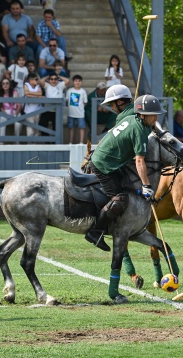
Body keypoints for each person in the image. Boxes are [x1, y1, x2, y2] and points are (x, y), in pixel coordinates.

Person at [85, 87, 165, 251]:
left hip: (114, 161)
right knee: (120, 199)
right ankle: (95, 232)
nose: (112, 108)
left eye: (112, 105)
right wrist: (147, 186)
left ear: (120, 102)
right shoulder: (137, 125)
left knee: (129, 189)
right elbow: (140, 160)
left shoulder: (132, 118)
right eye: (154, 114)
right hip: (104, 164)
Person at [38, 71, 68, 136]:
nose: (53, 80)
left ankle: (55, 143)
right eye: (51, 79)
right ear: (49, 80)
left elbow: (67, 81)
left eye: (55, 79)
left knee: (56, 128)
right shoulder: (47, 85)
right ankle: (47, 142)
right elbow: (41, 81)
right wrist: (48, 76)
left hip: (57, 111)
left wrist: (58, 76)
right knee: (42, 124)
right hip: (47, 109)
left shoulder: (60, 85)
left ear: (57, 80)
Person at [66, 75, 87, 144]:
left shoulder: (83, 91)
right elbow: (67, 100)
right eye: (76, 81)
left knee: (81, 128)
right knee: (70, 128)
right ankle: (70, 142)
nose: (77, 82)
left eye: (79, 81)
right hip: (71, 113)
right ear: (73, 82)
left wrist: (80, 108)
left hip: (80, 113)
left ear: (81, 82)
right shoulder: (69, 91)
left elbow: (85, 102)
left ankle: (81, 142)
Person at [22, 73, 43, 137]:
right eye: (36, 79)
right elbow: (26, 94)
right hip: (29, 111)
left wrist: (30, 93)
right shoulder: (26, 85)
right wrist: (36, 94)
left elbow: (40, 93)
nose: (37, 81)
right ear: (31, 80)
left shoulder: (38, 86)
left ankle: (35, 144)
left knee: (37, 128)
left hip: (38, 110)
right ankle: (29, 144)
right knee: (30, 128)